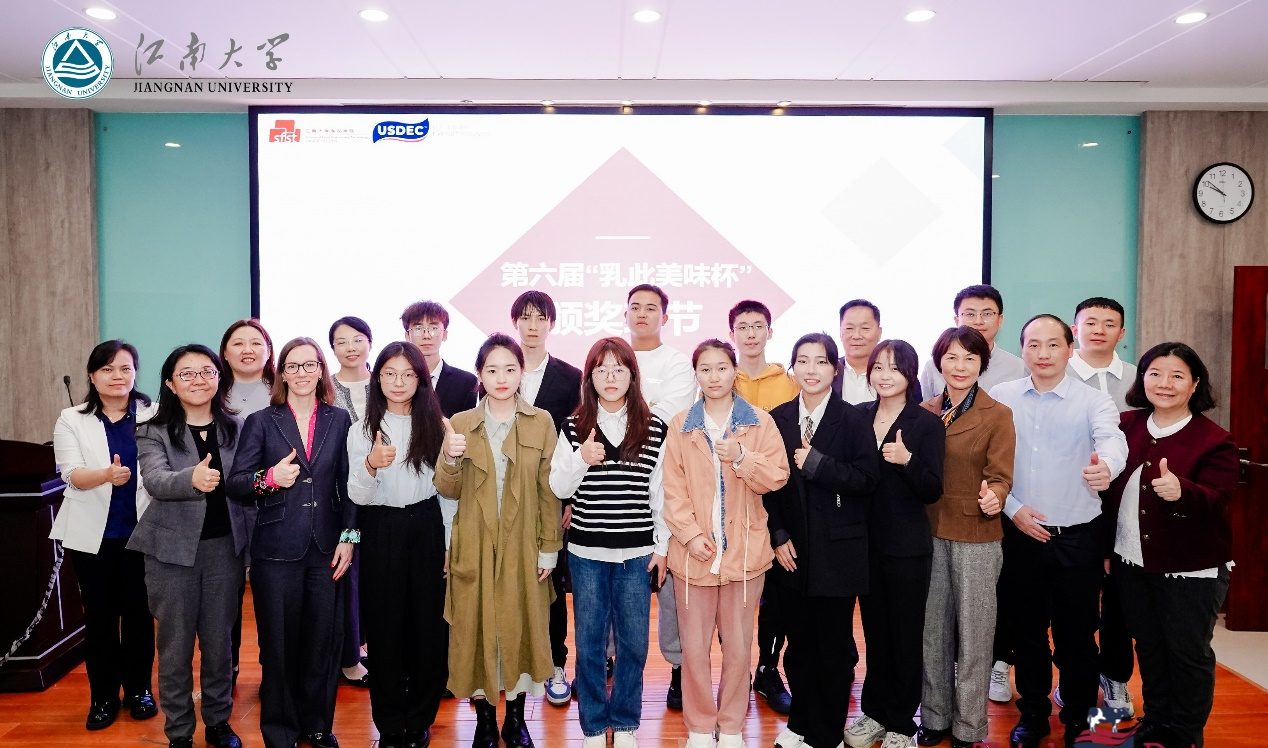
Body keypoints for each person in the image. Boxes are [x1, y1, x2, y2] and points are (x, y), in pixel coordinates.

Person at [990, 315, 1128, 748]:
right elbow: (984, 462)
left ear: (1070, 349)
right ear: (1022, 350)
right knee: (1027, 632)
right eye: (1033, 345)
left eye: (1053, 344)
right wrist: (1013, 510)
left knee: (1078, 635)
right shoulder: (1001, 397)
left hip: (1078, 536)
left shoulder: (1093, 401)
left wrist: (1107, 467)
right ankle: (1032, 713)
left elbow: (1112, 441)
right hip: (1020, 533)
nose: (1043, 353)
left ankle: (1079, 718)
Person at [1102, 343, 1238, 748]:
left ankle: (1185, 734)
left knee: (1187, 653)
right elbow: (1108, 492)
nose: (1164, 383)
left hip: (1189, 568)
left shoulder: (1214, 439)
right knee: (1149, 647)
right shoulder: (1125, 425)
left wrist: (1184, 491)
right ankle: (1157, 722)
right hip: (1131, 561)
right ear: (1142, 379)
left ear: (1195, 384)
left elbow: (1219, 499)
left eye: (1177, 376)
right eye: (1155, 373)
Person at [433, 333, 563, 748]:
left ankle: (516, 720)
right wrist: (450, 456)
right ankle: (485, 721)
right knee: (475, 630)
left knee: (522, 626)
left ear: (522, 373)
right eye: (492, 370)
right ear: (479, 374)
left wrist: (549, 547)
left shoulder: (541, 421)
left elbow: (549, 490)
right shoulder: (460, 423)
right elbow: (447, 489)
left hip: (525, 544)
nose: (501, 378)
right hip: (474, 542)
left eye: (510, 369)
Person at [227, 337, 357, 748]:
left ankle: (317, 725)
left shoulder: (340, 420)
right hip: (275, 550)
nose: (302, 373)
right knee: (278, 646)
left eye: (310, 364)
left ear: (321, 370)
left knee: (323, 643)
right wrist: (269, 479)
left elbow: (350, 486)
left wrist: (350, 537)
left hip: (328, 550)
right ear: (282, 373)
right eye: (293, 366)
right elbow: (236, 483)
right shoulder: (262, 421)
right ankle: (280, 731)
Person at [662, 339, 790, 748]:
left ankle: (732, 726)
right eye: (705, 369)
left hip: (746, 555)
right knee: (694, 650)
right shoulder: (681, 424)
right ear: (696, 375)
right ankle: (700, 728)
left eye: (721, 368)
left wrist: (741, 457)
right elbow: (672, 490)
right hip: (693, 557)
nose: (714, 377)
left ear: (734, 371)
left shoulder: (760, 422)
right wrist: (691, 535)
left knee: (738, 649)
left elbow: (777, 476)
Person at [549, 337, 669, 748]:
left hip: (637, 554)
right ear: (590, 378)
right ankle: (594, 727)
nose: (611, 377)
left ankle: (626, 722)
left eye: (619, 368)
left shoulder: (654, 428)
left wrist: (662, 548)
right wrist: (581, 458)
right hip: (587, 554)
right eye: (601, 369)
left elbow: (660, 493)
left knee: (634, 644)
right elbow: (558, 486)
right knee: (590, 644)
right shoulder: (573, 427)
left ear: (633, 376)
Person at [130, 345, 248, 748]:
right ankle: (179, 731)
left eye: (206, 371)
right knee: (175, 648)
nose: (198, 380)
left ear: (219, 377)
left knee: (219, 645)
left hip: (225, 551)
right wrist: (191, 479)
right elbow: (155, 480)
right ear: (170, 383)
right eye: (187, 373)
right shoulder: (153, 430)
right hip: (170, 553)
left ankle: (218, 722)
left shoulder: (237, 426)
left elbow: (248, 482)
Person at [765, 333, 879, 748]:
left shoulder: (853, 420)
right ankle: (800, 723)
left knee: (831, 648)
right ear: (792, 367)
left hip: (838, 552)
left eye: (821, 361)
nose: (811, 370)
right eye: (803, 361)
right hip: (790, 551)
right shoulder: (776, 418)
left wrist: (819, 464)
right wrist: (777, 534)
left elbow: (867, 480)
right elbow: (766, 486)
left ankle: (826, 733)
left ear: (835, 368)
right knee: (798, 647)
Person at [914, 286, 1027, 699]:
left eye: (970, 358)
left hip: (977, 533)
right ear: (939, 362)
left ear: (983, 363)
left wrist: (996, 495)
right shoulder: (923, 411)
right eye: (951, 358)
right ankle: (934, 715)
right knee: (932, 631)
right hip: (927, 531)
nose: (959, 366)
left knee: (976, 635)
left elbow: (1000, 475)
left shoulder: (998, 414)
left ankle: (970, 724)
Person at [346, 342, 454, 748]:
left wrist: (448, 542)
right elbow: (357, 495)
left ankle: (421, 717)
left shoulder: (438, 425)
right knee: (385, 628)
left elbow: (448, 493)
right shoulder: (362, 429)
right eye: (390, 373)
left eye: (408, 374)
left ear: (421, 381)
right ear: (377, 378)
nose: (398, 382)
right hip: (382, 527)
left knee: (428, 627)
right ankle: (390, 724)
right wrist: (371, 464)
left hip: (427, 525)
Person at [51, 340, 158, 731]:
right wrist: (106, 476)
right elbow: (71, 474)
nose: (117, 376)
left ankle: (139, 690)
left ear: (135, 373)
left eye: (125, 368)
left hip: (143, 533)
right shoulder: (72, 418)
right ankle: (103, 698)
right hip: (93, 538)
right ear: (92, 376)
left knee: (140, 617)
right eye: (107, 369)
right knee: (99, 618)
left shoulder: (154, 414)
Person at [847, 340, 945, 748]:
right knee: (876, 634)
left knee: (905, 636)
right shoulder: (857, 416)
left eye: (894, 367)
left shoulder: (925, 423)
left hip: (906, 548)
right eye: (878, 367)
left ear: (909, 373)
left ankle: (903, 724)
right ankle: (874, 713)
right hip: (863, 545)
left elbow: (932, 489)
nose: (884, 375)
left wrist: (907, 460)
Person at [1063, 297, 1138, 716]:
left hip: (1123, 497)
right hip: (1068, 498)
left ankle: (1115, 676)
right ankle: (1073, 679)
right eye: (1090, 322)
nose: (1099, 330)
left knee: (1120, 595)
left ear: (1121, 333)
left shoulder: (1139, 378)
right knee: (1071, 601)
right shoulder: (1054, 370)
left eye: (1109, 324)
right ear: (1075, 329)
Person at [625, 283, 696, 709]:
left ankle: (678, 668)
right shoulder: (613, 355)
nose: (642, 314)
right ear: (625, 314)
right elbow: (596, 411)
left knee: (672, 586)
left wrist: (627, 408)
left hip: (669, 481)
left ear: (665, 317)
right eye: (635, 307)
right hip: (616, 487)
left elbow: (669, 417)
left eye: (651, 308)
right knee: (617, 579)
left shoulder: (677, 363)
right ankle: (611, 661)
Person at [511, 290, 583, 706]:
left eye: (541, 318)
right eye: (526, 317)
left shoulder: (570, 377)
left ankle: (556, 663)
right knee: (508, 579)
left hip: (553, 495)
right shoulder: (500, 368)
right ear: (515, 323)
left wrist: (570, 499)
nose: (533, 325)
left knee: (552, 581)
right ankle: (509, 662)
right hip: (505, 497)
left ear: (552, 324)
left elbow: (576, 440)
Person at [727, 299, 798, 715]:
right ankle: (734, 673)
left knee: (777, 594)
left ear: (770, 332)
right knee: (731, 597)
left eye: (758, 326)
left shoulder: (789, 383)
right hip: (731, 501)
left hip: (778, 497)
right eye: (743, 326)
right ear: (732, 333)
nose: (751, 333)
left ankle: (768, 669)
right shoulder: (719, 376)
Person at [218, 317, 276, 686]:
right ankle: (228, 666)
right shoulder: (211, 391)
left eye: (256, 342)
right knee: (228, 592)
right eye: (238, 343)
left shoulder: (285, 390)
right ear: (224, 353)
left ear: (269, 350)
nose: (248, 350)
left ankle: (275, 670)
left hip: (276, 504)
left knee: (272, 593)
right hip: (226, 505)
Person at [328, 316, 374, 689]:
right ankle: (349, 655)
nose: (350, 347)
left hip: (386, 495)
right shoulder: (323, 389)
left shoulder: (388, 382)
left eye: (357, 339)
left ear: (370, 343)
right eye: (341, 341)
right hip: (345, 500)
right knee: (350, 572)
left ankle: (372, 644)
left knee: (379, 573)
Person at [919, 284, 1028, 398]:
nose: (978, 321)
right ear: (957, 320)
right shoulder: (933, 368)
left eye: (987, 314)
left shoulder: (1019, 368)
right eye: (970, 314)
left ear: (1000, 320)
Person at [402, 300, 477, 418]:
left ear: (444, 334)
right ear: (407, 336)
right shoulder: (394, 380)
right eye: (418, 329)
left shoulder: (466, 382)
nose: (426, 336)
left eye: (433, 328)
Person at [832, 299, 882, 404]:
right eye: (849, 328)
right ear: (840, 332)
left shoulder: (899, 375)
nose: (856, 336)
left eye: (865, 328)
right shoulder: (827, 372)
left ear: (879, 333)